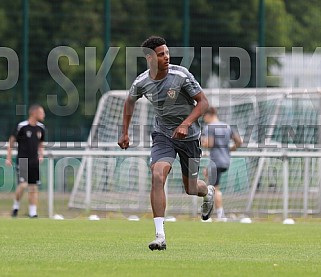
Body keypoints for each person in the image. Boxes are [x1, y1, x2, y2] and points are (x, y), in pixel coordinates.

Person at [118, 36, 214, 251]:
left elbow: (204, 102)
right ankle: (160, 235)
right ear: (150, 58)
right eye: (161, 54)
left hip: (189, 138)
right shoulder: (142, 82)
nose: (167, 57)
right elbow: (129, 102)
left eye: (167, 53)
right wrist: (124, 132)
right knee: (158, 174)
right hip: (163, 135)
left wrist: (186, 124)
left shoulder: (180, 75)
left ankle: (207, 192)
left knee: (191, 188)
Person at [201, 107, 242, 220]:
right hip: (225, 161)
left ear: (208, 115)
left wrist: (200, 142)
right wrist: (231, 149)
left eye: (204, 116)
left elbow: (209, 143)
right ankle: (217, 214)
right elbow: (239, 141)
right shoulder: (227, 126)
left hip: (216, 161)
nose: (204, 119)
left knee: (212, 188)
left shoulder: (209, 127)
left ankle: (218, 215)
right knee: (209, 180)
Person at [6, 104, 45, 218]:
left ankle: (33, 212)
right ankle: (16, 206)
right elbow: (11, 142)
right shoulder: (22, 126)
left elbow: (41, 143)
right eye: (42, 112)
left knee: (33, 187)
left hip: (34, 162)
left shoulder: (41, 128)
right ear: (34, 113)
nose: (44, 115)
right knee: (23, 185)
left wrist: (41, 155)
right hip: (23, 160)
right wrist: (9, 158)